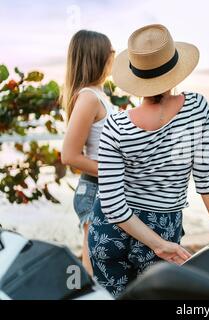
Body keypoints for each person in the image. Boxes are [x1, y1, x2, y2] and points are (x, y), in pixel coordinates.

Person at [88, 24, 209, 295]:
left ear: (135, 76)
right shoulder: (196, 108)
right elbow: (205, 175)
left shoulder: (116, 125)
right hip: (162, 224)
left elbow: (112, 203)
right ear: (174, 70)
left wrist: (156, 243)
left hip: (108, 232)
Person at [61, 30, 116, 275]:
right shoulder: (88, 97)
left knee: (104, 268)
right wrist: (116, 172)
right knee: (94, 272)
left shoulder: (100, 95)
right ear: (98, 57)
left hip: (103, 187)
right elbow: (70, 156)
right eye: (111, 50)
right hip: (95, 190)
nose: (115, 55)